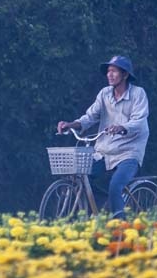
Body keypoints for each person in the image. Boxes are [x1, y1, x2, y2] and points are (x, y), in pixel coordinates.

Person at [57, 54, 150, 217]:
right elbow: (90, 117)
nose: (110, 75)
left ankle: (120, 229)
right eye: (108, 71)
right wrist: (71, 124)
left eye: (114, 71)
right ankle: (102, 209)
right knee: (81, 175)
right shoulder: (105, 94)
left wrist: (122, 127)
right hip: (104, 152)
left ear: (125, 75)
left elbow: (139, 122)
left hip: (128, 153)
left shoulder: (138, 94)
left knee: (115, 185)